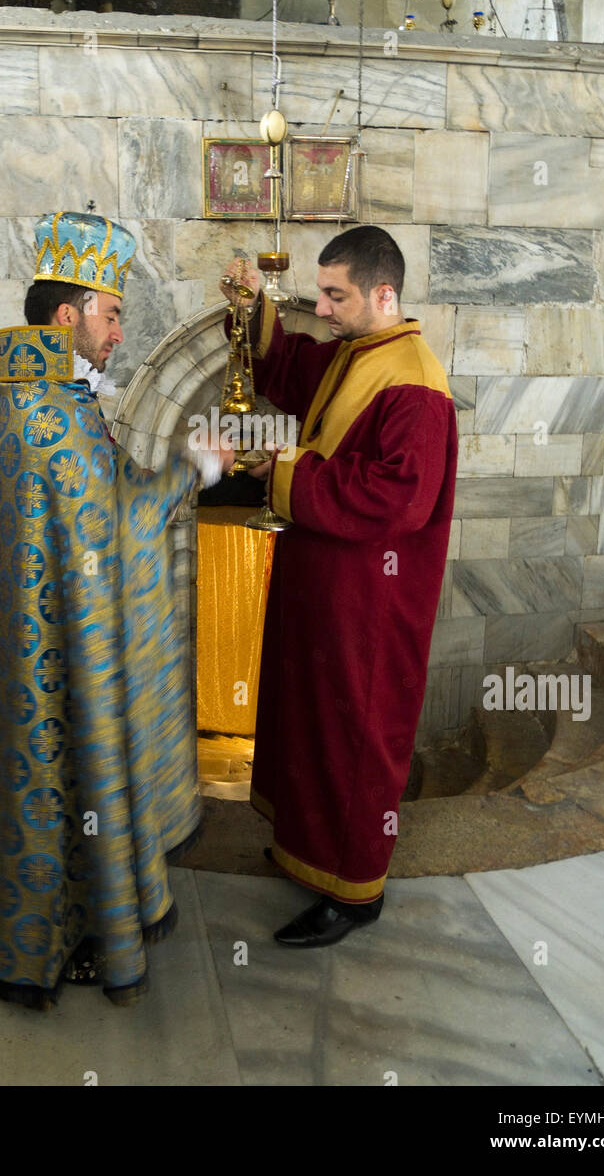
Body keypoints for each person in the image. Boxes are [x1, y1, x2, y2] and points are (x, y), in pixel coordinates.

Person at [0, 210, 232, 1009]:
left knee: (52, 775)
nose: (120, 331)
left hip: (45, 639)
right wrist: (198, 470)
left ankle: (55, 913)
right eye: (111, 312)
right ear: (68, 316)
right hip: (66, 652)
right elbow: (116, 525)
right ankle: (76, 933)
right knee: (67, 769)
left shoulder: (43, 394)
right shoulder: (52, 413)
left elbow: (99, 501)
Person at [220, 225, 457, 947]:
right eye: (320, 292)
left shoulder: (413, 383)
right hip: (329, 590)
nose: (319, 308)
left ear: (382, 294)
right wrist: (255, 304)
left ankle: (353, 891)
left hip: (370, 607)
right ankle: (309, 855)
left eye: (334, 295)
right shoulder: (361, 351)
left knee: (353, 740)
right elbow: (295, 371)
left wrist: (285, 475)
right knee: (312, 727)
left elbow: (397, 499)